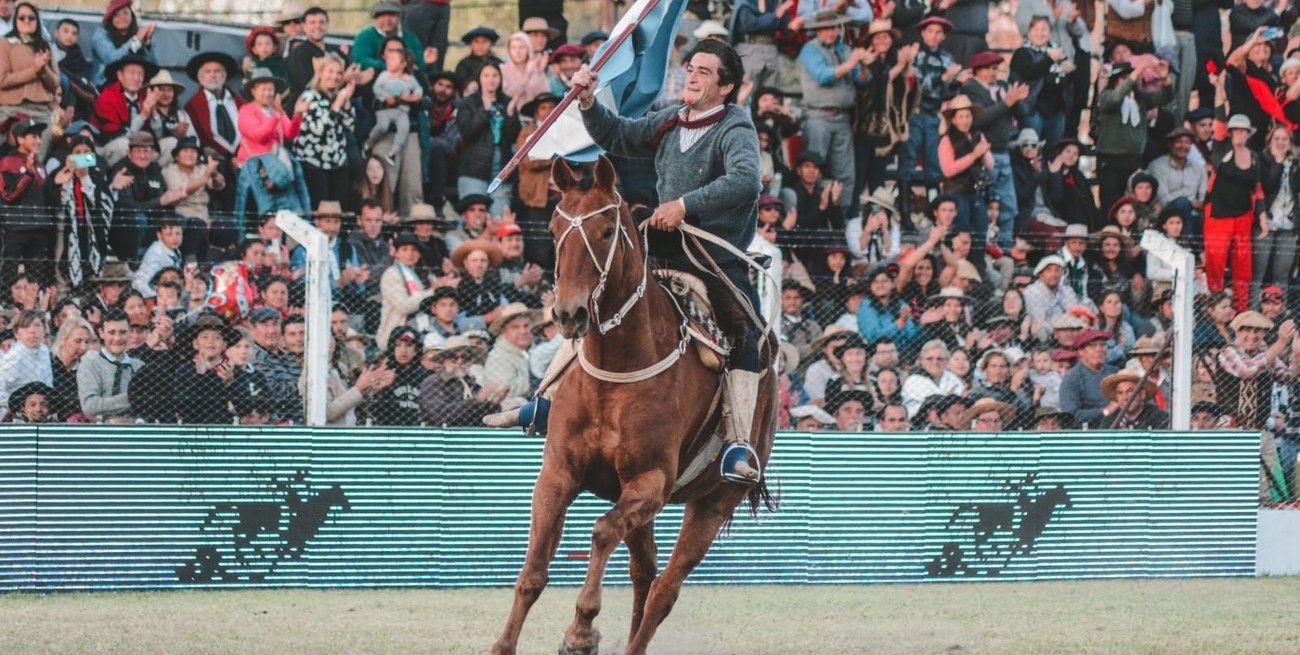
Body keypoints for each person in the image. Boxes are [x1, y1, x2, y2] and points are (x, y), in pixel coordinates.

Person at [490, 39, 768, 484]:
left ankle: (737, 443)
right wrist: (586, 102)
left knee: (743, 331)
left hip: (714, 253)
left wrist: (684, 204)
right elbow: (617, 135)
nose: (692, 76)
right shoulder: (671, 120)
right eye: (690, 67)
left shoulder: (736, 126)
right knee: (596, 295)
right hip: (660, 245)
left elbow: (746, 181)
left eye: (704, 72)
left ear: (726, 85)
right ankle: (548, 399)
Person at [232, 69, 310, 234]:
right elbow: (257, 135)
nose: (268, 93)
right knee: (256, 215)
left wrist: (297, 115)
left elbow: (290, 133)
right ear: (253, 91)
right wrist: (276, 116)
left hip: (275, 172)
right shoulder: (247, 111)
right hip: (254, 170)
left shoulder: (275, 111)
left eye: (270, 89)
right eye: (263, 89)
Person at [1219, 310, 1300, 430]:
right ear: (1237, 331)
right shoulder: (1228, 351)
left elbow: (1289, 378)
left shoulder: (1267, 355)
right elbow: (1247, 370)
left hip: (1261, 428)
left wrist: (1296, 356)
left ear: (1264, 334)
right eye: (1247, 330)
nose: (1252, 336)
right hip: (1231, 428)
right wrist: (1281, 343)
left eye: (1257, 331)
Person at [0, 115, 52, 289]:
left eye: (39, 136)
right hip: (16, 228)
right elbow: (8, 194)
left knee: (37, 276)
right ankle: (6, 307)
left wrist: (59, 182)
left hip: (39, 228)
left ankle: (34, 309)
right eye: (33, 136)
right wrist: (27, 175)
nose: (38, 140)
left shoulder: (41, 166)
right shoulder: (7, 163)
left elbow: (48, 199)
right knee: (9, 273)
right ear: (20, 139)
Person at [0, 2, 58, 137]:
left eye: (31, 18)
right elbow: (2, 80)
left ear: (37, 21)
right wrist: (33, 70)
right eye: (22, 18)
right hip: (11, 110)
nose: (27, 21)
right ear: (15, 21)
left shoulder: (45, 45)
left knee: (38, 157)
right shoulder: (4, 44)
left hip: (41, 111)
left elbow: (55, 84)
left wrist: (43, 70)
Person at [77, 308, 141, 422]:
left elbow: (149, 405)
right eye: (111, 332)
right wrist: (132, 398)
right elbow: (90, 406)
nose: (117, 338)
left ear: (130, 332)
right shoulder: (90, 365)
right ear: (101, 333)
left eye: (123, 332)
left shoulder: (139, 367)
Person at [365, 42, 422, 167]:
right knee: (383, 126)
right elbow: (376, 89)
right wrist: (386, 98)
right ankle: (369, 142)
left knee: (404, 128)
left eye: (393, 59)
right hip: (386, 110)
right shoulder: (384, 76)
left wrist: (416, 96)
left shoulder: (409, 78)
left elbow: (418, 88)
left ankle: (393, 152)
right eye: (388, 59)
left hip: (402, 111)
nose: (388, 61)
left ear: (403, 64)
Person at [1058, 328, 1121, 428]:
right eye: (1093, 346)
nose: (1099, 349)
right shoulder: (1072, 378)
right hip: (1088, 434)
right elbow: (1069, 416)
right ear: (1081, 351)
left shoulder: (1115, 372)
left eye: (1103, 345)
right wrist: (1105, 411)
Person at [90, 0, 156, 87]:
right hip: (106, 86)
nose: (122, 17)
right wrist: (135, 40)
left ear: (132, 15)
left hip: (136, 87)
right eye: (116, 15)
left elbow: (153, 66)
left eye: (125, 13)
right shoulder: (100, 36)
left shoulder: (138, 34)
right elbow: (111, 59)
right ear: (110, 19)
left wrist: (147, 43)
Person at [0, 308, 51, 406]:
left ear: (44, 329)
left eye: (37, 325)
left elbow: (48, 383)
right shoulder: (15, 355)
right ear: (16, 333)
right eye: (26, 326)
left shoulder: (44, 350)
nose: (32, 331)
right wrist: (19, 405)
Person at [1100, 370, 1169, 429]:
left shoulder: (1159, 418)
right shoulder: (1110, 421)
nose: (1125, 397)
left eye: (1130, 391)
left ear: (1142, 394)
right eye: (1120, 393)